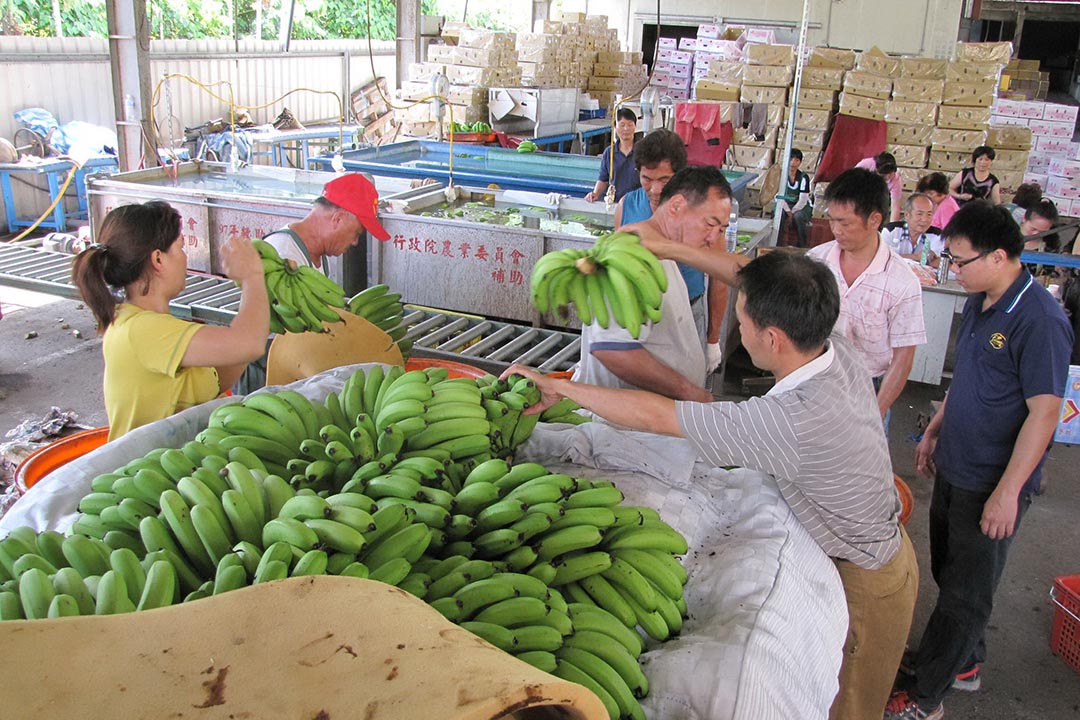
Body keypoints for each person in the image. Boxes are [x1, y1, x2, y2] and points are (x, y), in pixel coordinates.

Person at [504, 250, 917, 720]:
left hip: (868, 578)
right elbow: (749, 277)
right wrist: (668, 246)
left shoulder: (790, 420)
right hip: (883, 543)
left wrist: (563, 389)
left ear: (773, 338)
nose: (737, 330)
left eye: (741, 322)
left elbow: (661, 416)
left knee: (849, 708)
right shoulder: (832, 346)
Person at [886, 201, 1073, 720]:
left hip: (992, 480)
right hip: (956, 464)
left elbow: (1043, 414)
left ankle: (926, 698)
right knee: (953, 574)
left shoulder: (1040, 320)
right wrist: (934, 432)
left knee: (968, 593)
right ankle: (961, 663)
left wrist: (1009, 492)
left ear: (998, 256)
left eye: (961, 261)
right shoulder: (981, 299)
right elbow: (967, 379)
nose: (953, 271)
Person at [71, 201, 270, 440]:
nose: (185, 257)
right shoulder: (142, 330)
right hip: (149, 469)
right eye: (180, 247)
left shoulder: (146, 324)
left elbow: (221, 372)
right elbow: (249, 344)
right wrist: (252, 276)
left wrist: (262, 311)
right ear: (158, 259)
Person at [575, 165, 731, 403]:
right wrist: (688, 391)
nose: (713, 238)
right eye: (709, 225)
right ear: (677, 206)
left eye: (721, 230)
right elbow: (611, 349)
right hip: (621, 428)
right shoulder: (632, 254)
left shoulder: (666, 252)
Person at [237, 172, 391, 393]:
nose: (356, 242)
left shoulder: (317, 254)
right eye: (357, 233)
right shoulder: (281, 254)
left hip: (296, 367)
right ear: (337, 219)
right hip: (265, 371)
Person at [809, 168, 927, 432]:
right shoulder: (816, 263)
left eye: (845, 223)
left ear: (874, 220)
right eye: (832, 220)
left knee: (861, 467)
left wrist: (876, 411)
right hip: (816, 378)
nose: (836, 230)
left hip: (868, 386)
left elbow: (903, 358)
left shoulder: (901, 281)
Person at [614, 128, 723, 373]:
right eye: (646, 178)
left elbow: (719, 278)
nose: (654, 189)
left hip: (689, 312)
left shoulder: (703, 213)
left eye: (664, 180)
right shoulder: (626, 206)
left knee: (687, 393)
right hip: (639, 315)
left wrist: (713, 339)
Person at [584, 107, 641, 203]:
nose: (626, 129)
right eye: (622, 125)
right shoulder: (609, 153)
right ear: (615, 126)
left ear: (635, 126)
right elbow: (603, 179)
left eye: (630, 125)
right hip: (614, 204)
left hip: (637, 205)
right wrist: (595, 194)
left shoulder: (643, 151)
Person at [881, 193, 944, 278]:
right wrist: (916, 257)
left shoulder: (937, 236)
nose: (925, 219)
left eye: (929, 214)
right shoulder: (891, 231)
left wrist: (898, 258)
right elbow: (881, 259)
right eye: (919, 214)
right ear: (907, 215)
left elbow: (939, 263)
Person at [775, 148, 813, 247]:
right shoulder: (780, 175)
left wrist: (794, 211)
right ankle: (777, 243)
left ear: (800, 162)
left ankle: (802, 245)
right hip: (784, 204)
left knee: (798, 216)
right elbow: (778, 196)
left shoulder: (803, 177)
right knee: (780, 215)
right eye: (791, 159)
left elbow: (803, 199)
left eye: (796, 160)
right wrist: (788, 211)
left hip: (800, 205)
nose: (793, 163)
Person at [855, 152, 902, 222]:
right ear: (876, 170)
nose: (888, 177)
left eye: (891, 174)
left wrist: (892, 228)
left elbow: (895, 207)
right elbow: (850, 184)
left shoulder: (896, 179)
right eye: (884, 175)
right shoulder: (865, 165)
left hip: (880, 196)